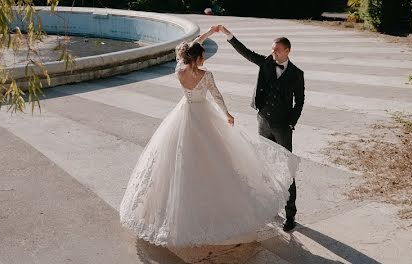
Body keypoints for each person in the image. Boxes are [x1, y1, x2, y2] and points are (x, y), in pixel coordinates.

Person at [119, 26, 298, 247]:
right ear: (199, 57)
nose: (205, 57)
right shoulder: (206, 75)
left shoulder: (179, 70)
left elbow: (189, 49)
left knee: (178, 163)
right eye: (203, 54)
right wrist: (227, 114)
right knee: (217, 161)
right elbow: (217, 96)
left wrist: (208, 35)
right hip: (205, 115)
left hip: (184, 114)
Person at [215, 24, 304, 231]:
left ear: (287, 51)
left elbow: (299, 101)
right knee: (265, 165)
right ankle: (270, 206)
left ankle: (290, 215)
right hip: (263, 122)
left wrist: (291, 122)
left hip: (283, 127)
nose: (273, 52)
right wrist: (228, 35)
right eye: (272, 49)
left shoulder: (297, 74)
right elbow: (245, 52)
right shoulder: (265, 63)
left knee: (286, 168)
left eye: (277, 49)